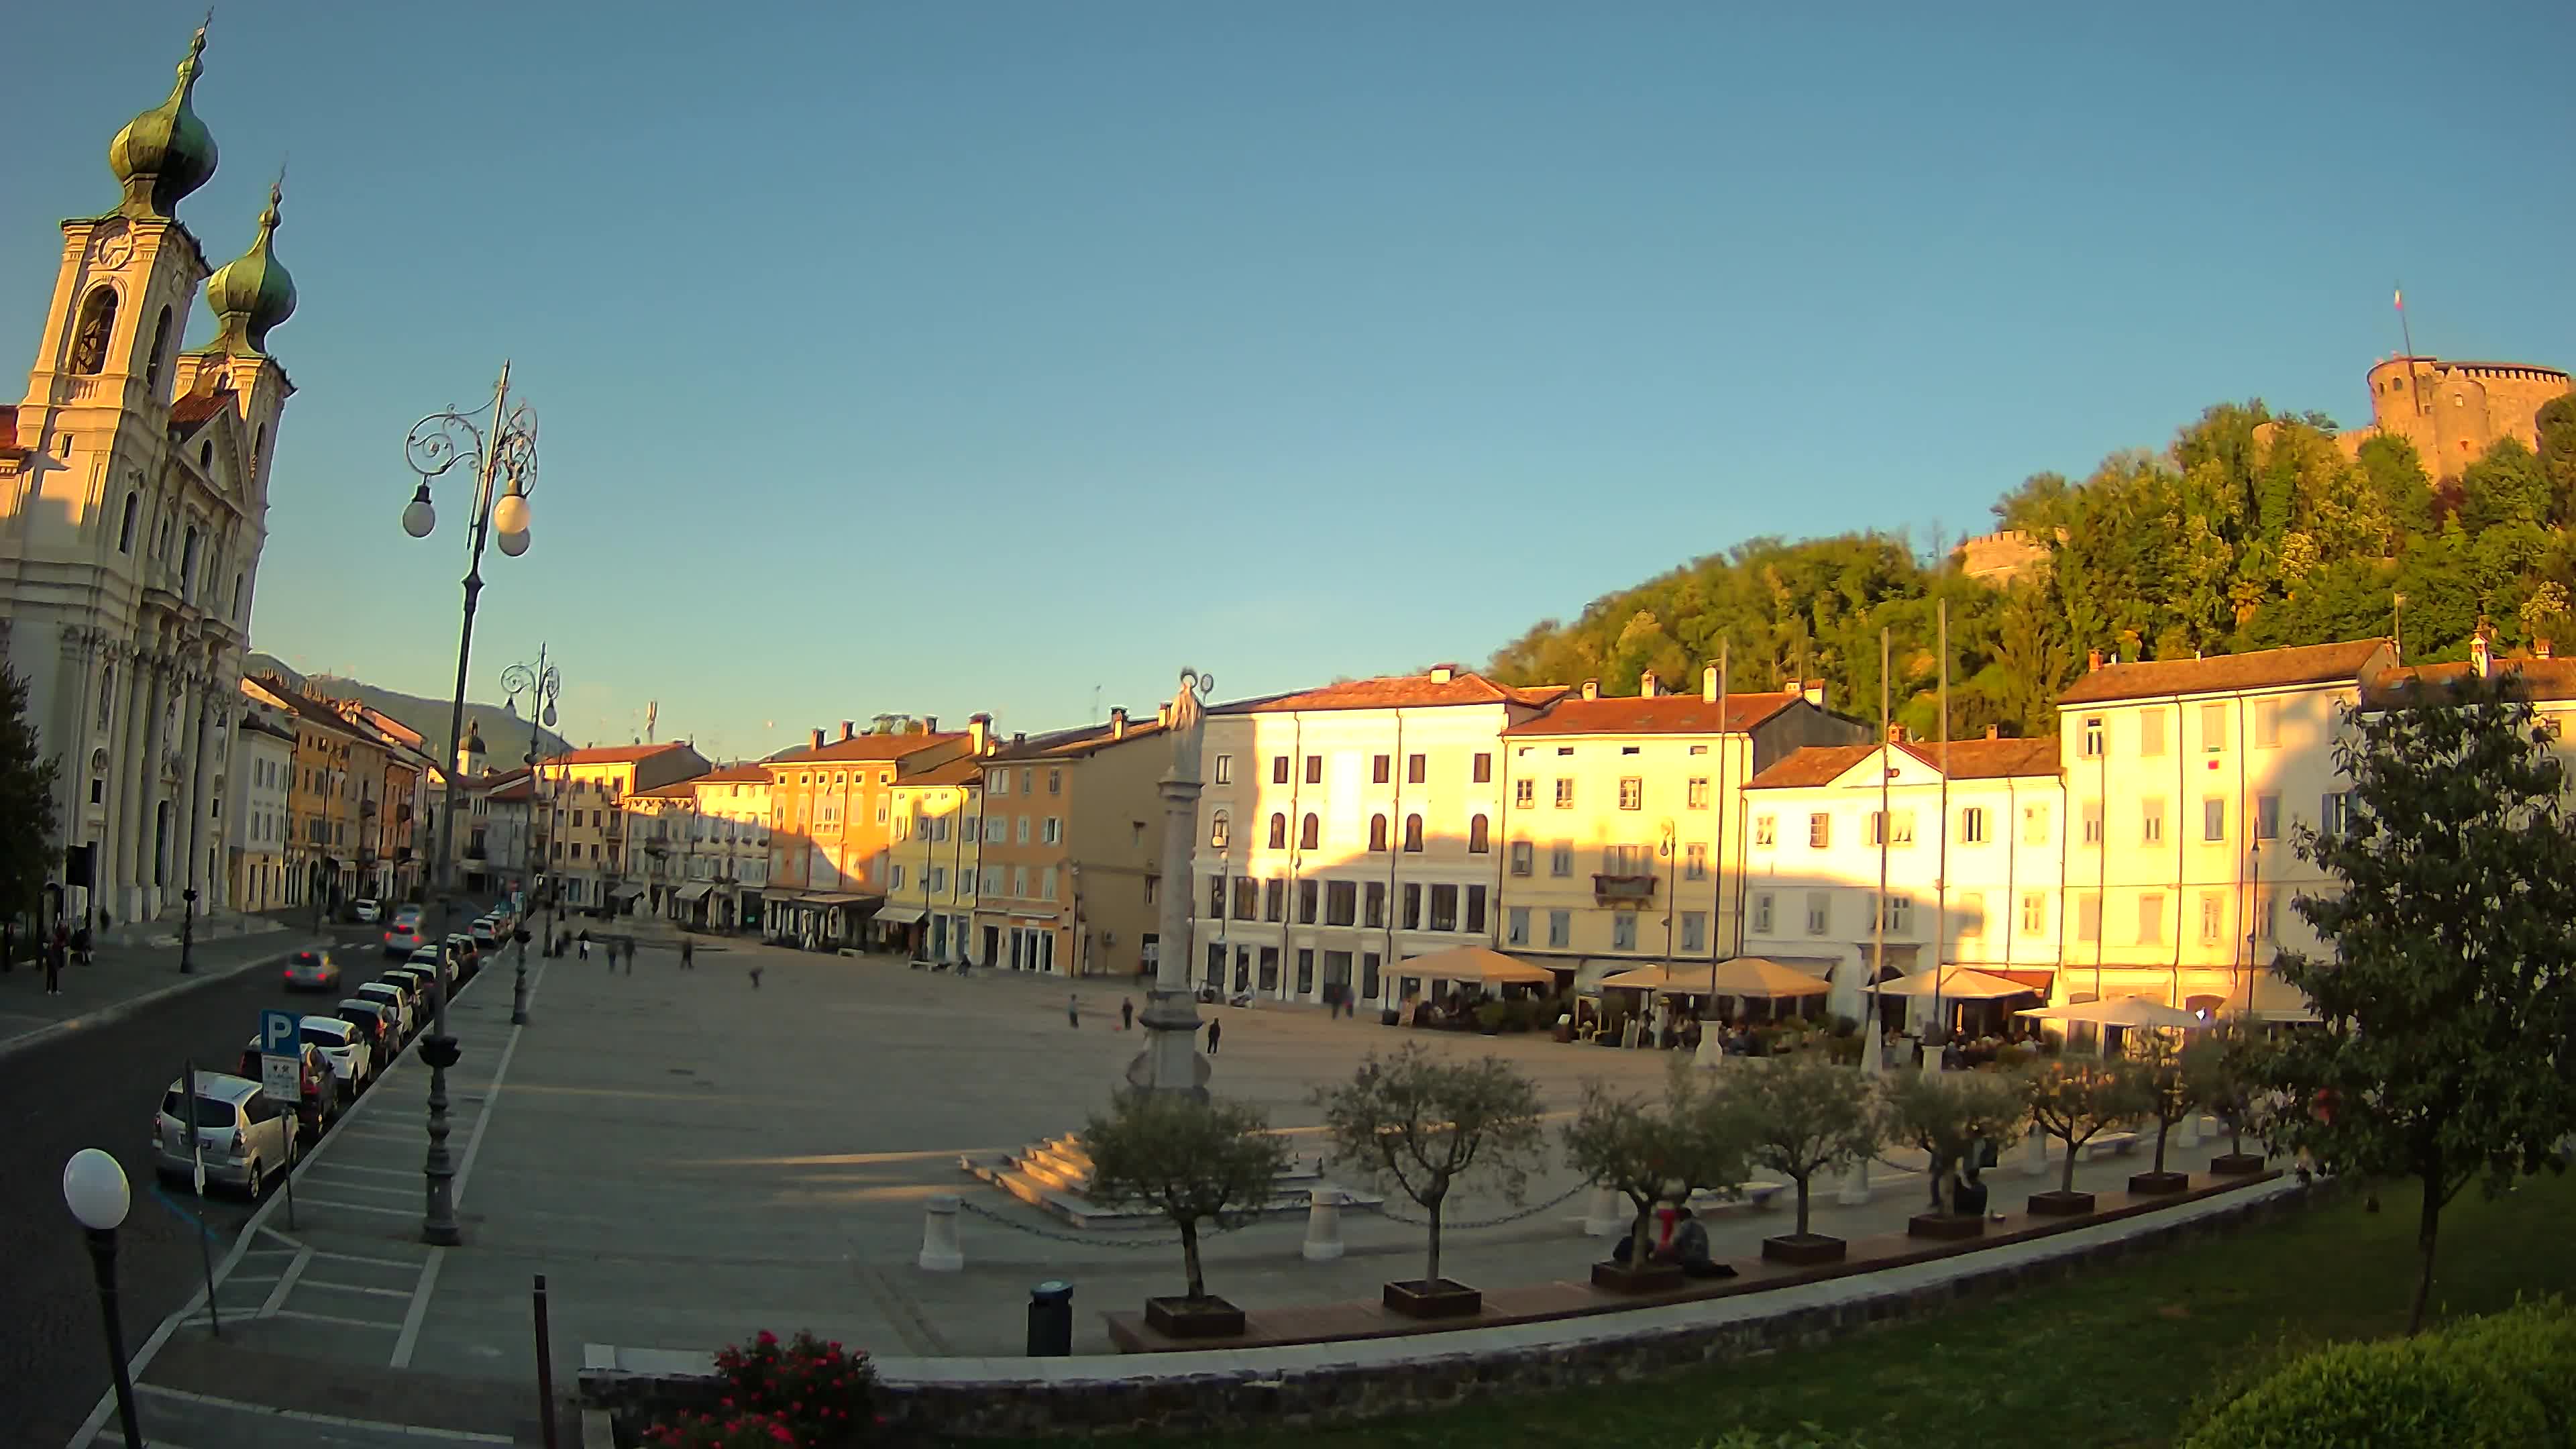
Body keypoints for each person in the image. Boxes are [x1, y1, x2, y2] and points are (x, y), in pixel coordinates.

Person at [1662, 1206, 1734, 1279]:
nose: (1677, 1218)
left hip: (1694, 1259)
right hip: (1702, 1258)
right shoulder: (1697, 1224)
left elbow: (1678, 1241)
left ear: (1682, 1215)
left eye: (1678, 1215)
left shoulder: (1686, 1224)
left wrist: (1668, 1250)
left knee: (1669, 1257)